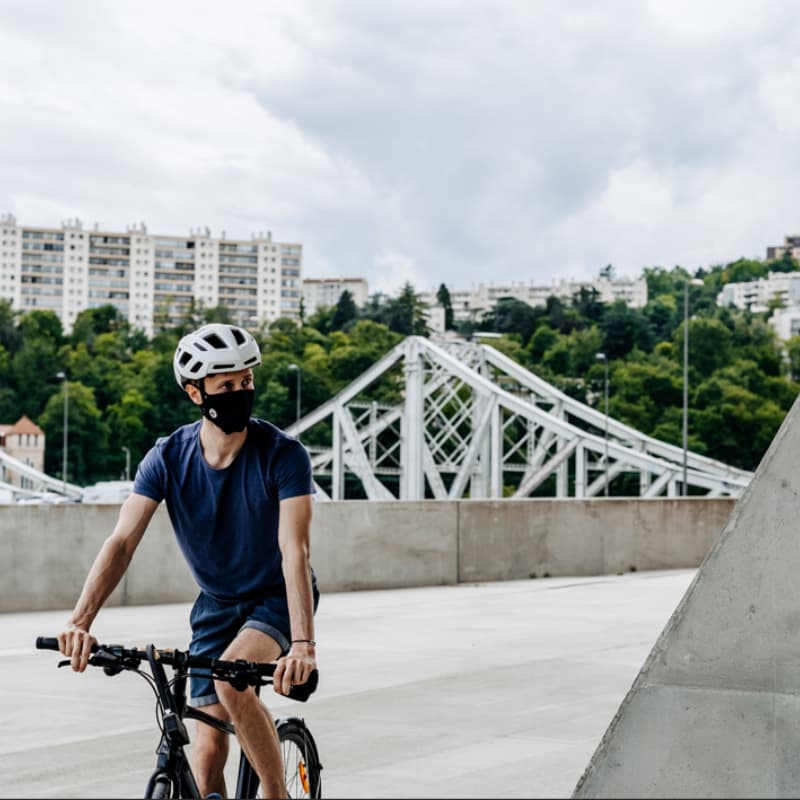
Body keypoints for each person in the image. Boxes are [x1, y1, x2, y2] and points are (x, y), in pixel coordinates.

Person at [57, 323, 319, 799]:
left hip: (275, 595)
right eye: (226, 385)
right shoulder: (167, 458)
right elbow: (122, 542)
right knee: (206, 749)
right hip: (215, 603)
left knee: (232, 681)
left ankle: (276, 794)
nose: (240, 393)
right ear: (195, 392)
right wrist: (80, 622)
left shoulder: (283, 455)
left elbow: (294, 551)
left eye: (246, 382)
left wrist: (302, 644)